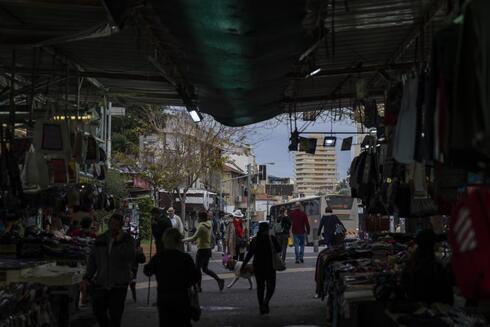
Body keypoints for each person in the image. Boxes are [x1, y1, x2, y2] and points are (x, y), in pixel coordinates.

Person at [84, 213, 136, 327]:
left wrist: (118, 241)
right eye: (112, 224)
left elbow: (129, 256)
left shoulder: (128, 240)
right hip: (101, 282)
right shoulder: (100, 239)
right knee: (98, 312)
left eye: (117, 225)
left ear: (121, 226)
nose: (113, 227)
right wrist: (87, 276)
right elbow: (93, 259)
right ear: (108, 224)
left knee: (115, 315)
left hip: (119, 283)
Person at [144, 228, 199, 327]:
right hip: (182, 297)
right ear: (178, 241)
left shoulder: (159, 257)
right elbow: (195, 277)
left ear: (164, 241)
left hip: (164, 297)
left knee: (165, 322)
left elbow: (147, 271)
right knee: (183, 322)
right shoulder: (185, 258)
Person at [401, 229, 453, 305]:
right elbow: (446, 293)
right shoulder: (434, 266)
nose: (437, 244)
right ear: (431, 245)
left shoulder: (412, 261)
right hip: (432, 308)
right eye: (435, 242)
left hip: (416, 306)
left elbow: (405, 285)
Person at [242, 222, 281, 315]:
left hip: (258, 266)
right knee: (271, 286)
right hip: (270, 266)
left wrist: (243, 265)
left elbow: (250, 254)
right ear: (267, 229)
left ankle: (261, 307)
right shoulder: (271, 238)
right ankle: (266, 301)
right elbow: (279, 249)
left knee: (260, 287)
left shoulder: (255, 240)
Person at [184, 211, 225, 292]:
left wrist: (182, 240)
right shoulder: (209, 224)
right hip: (207, 249)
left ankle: (198, 286)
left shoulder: (201, 226)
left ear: (202, 218)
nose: (197, 218)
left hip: (202, 250)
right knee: (205, 269)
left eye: (198, 217)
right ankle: (219, 280)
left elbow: (193, 238)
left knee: (197, 269)